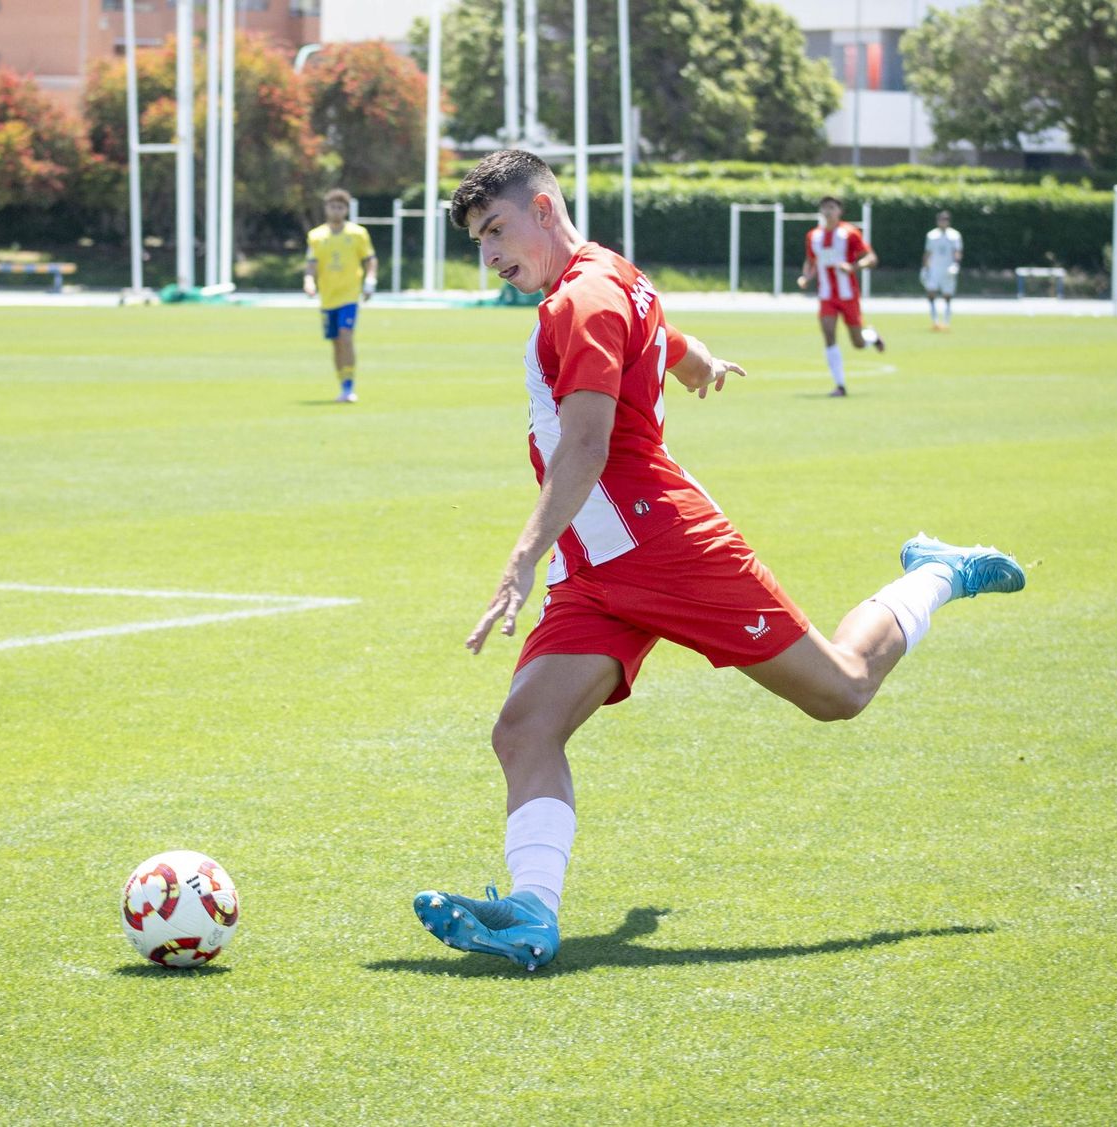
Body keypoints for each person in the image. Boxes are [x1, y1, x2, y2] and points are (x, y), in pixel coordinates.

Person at [412, 150, 1026, 972]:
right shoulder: (606, 278)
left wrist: (521, 559)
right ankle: (531, 913)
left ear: (546, 207)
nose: (489, 255)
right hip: (597, 564)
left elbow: (587, 445)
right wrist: (694, 358)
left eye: (497, 230)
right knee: (524, 728)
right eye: (478, 242)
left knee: (840, 689)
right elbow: (653, 326)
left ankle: (937, 569)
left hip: (663, 544)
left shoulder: (579, 301)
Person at [797, 196, 884, 398]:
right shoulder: (813, 236)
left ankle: (871, 336)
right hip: (826, 295)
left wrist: (854, 267)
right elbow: (811, 261)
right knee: (828, 333)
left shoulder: (850, 233)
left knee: (858, 343)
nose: (828, 211)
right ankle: (840, 385)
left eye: (832, 207)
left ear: (839, 211)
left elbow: (871, 258)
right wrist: (806, 277)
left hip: (848, 295)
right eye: (824, 207)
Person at [303, 188, 378, 403]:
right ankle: (342, 383)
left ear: (346, 209)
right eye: (332, 206)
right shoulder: (316, 236)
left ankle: (349, 386)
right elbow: (311, 265)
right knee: (336, 342)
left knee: (346, 336)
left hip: (349, 295)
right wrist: (309, 282)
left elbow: (370, 260)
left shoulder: (357, 234)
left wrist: (370, 282)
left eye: (340, 207)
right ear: (326, 208)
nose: (336, 210)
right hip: (328, 297)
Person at [921, 209, 963, 331]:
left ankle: (946, 322)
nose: (943, 222)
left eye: (945, 219)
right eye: (941, 219)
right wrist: (925, 268)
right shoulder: (931, 235)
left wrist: (956, 265)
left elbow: (957, 252)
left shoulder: (955, 235)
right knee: (931, 293)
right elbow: (928, 253)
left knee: (947, 296)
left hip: (948, 269)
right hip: (934, 269)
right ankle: (935, 321)